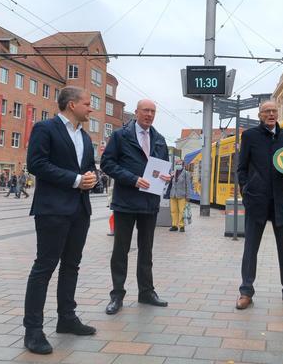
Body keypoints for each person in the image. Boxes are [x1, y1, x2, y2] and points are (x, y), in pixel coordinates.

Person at [23, 86, 98, 355]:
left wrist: (92, 179)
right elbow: (36, 164)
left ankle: (67, 318)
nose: (91, 108)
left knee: (71, 266)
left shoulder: (85, 137)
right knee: (44, 267)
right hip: (52, 209)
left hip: (80, 210)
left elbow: (88, 169)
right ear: (71, 105)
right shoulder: (46, 128)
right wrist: (76, 180)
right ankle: (33, 330)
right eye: (87, 103)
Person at [101, 99, 171, 315]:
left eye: (153, 111)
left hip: (149, 202)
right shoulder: (121, 136)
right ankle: (117, 295)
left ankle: (146, 292)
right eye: (145, 111)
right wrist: (132, 179)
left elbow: (163, 167)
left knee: (146, 249)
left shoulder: (159, 139)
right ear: (137, 112)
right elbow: (107, 163)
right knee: (120, 249)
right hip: (126, 202)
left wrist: (166, 177)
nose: (149, 114)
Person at [235, 100, 283, 310]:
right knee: (250, 247)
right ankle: (246, 291)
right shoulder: (250, 136)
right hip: (256, 199)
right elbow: (241, 168)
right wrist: (246, 191)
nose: (271, 114)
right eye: (267, 111)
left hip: (280, 199)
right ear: (260, 115)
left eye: (274, 111)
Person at [167, 159, 193, 232]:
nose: (178, 165)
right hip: (173, 194)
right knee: (173, 210)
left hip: (182, 195)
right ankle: (174, 225)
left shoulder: (186, 173)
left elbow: (188, 185)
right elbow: (169, 182)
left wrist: (188, 196)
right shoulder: (173, 173)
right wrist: (170, 177)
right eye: (177, 163)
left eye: (180, 163)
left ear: (183, 165)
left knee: (182, 211)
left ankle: (181, 226)